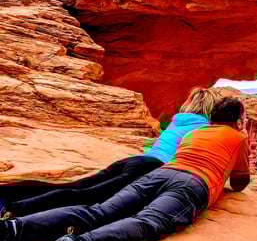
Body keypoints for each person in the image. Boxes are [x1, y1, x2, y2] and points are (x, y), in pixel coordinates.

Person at [0, 96, 251, 241]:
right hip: (193, 183)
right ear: (238, 119)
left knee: (98, 210)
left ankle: (13, 229)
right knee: (148, 221)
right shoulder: (238, 137)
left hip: (158, 173)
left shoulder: (194, 135)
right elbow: (240, 182)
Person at [0, 87, 216, 219]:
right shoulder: (205, 129)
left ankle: (7, 195)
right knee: (86, 196)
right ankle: (14, 209)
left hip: (136, 160)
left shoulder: (178, 121)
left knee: (75, 186)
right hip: (151, 168)